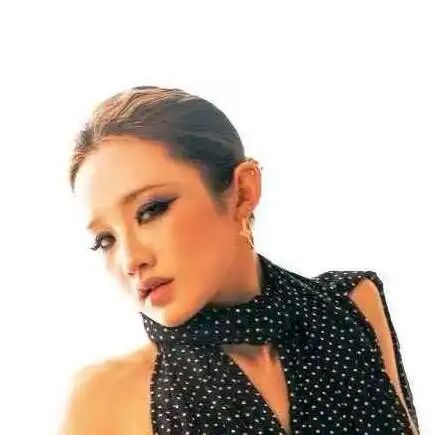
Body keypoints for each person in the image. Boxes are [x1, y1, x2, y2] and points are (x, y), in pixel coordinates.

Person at [60, 85, 420, 434]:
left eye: (151, 210)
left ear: (244, 192)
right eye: (105, 239)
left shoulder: (351, 304)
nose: (130, 259)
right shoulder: (104, 399)